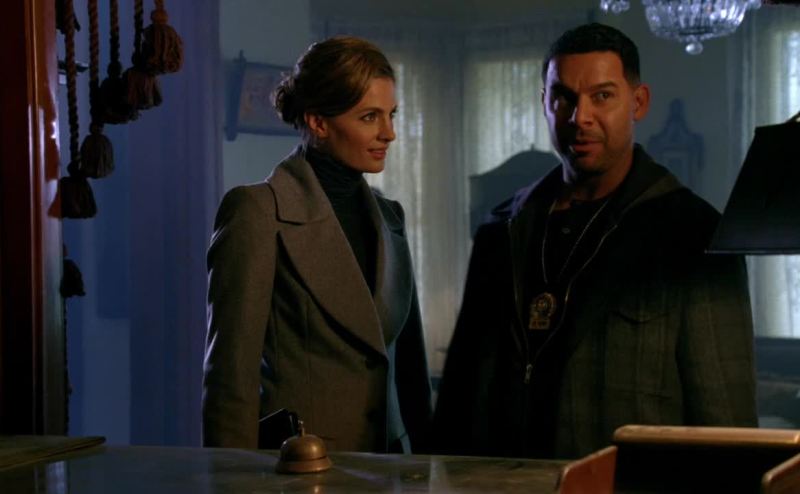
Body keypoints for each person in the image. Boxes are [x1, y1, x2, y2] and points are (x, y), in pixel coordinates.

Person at [433, 23, 757, 460]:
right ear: (544, 103)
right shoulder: (502, 230)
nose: (579, 117)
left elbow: (727, 426)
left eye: (602, 96)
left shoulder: (693, 233)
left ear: (637, 103)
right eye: (563, 98)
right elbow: (458, 399)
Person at [202, 36, 432, 453]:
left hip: (392, 466)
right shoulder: (257, 212)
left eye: (391, 115)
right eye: (369, 117)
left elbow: (411, 372)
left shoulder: (390, 217)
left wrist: (427, 467)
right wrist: (230, 478)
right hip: (303, 466)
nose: (389, 133)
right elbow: (229, 382)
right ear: (318, 123)